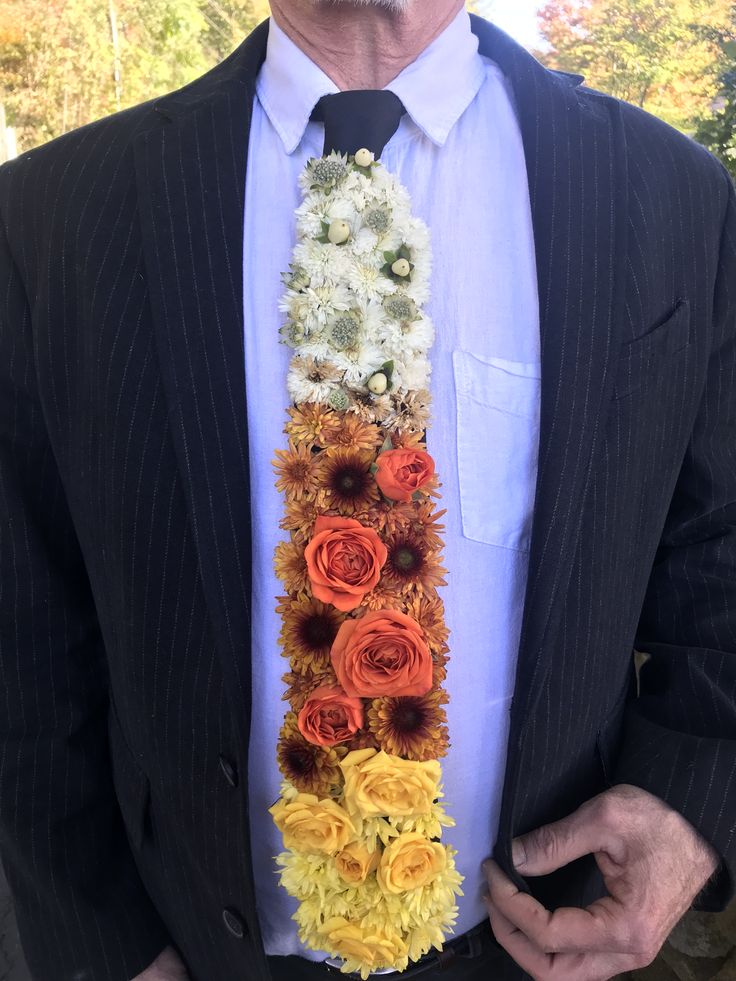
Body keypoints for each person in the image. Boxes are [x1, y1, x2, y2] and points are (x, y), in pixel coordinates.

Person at [0, 0, 734, 978]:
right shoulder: (54, 220)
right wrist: (103, 945)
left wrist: (695, 794)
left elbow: (719, 546)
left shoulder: (675, 200)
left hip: (533, 944)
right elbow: (22, 627)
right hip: (190, 951)